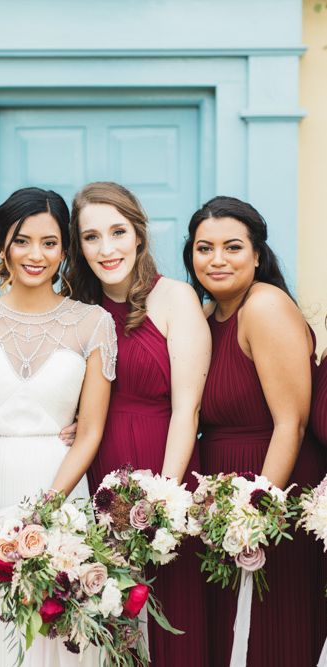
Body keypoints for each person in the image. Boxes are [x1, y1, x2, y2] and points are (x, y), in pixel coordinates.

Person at [0, 187, 115, 667]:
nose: (36, 255)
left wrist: (48, 509)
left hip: (59, 489)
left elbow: (91, 432)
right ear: (3, 244)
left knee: (57, 634)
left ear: (64, 250)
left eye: (50, 242)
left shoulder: (93, 323)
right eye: (22, 241)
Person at [61, 181, 211, 666]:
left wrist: (163, 500)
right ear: (77, 247)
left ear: (139, 234)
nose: (106, 249)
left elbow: (188, 409)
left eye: (118, 231)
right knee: (106, 619)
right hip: (94, 472)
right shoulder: (74, 309)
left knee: (170, 620)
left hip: (163, 468)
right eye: (90, 237)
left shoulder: (175, 298)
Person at [183, 195, 327, 666]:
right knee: (232, 638)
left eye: (233, 247)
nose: (217, 260)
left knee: (270, 635)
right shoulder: (207, 317)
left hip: (273, 492)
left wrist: (258, 511)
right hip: (223, 499)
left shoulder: (264, 306)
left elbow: (293, 422)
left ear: (257, 255)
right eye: (204, 248)